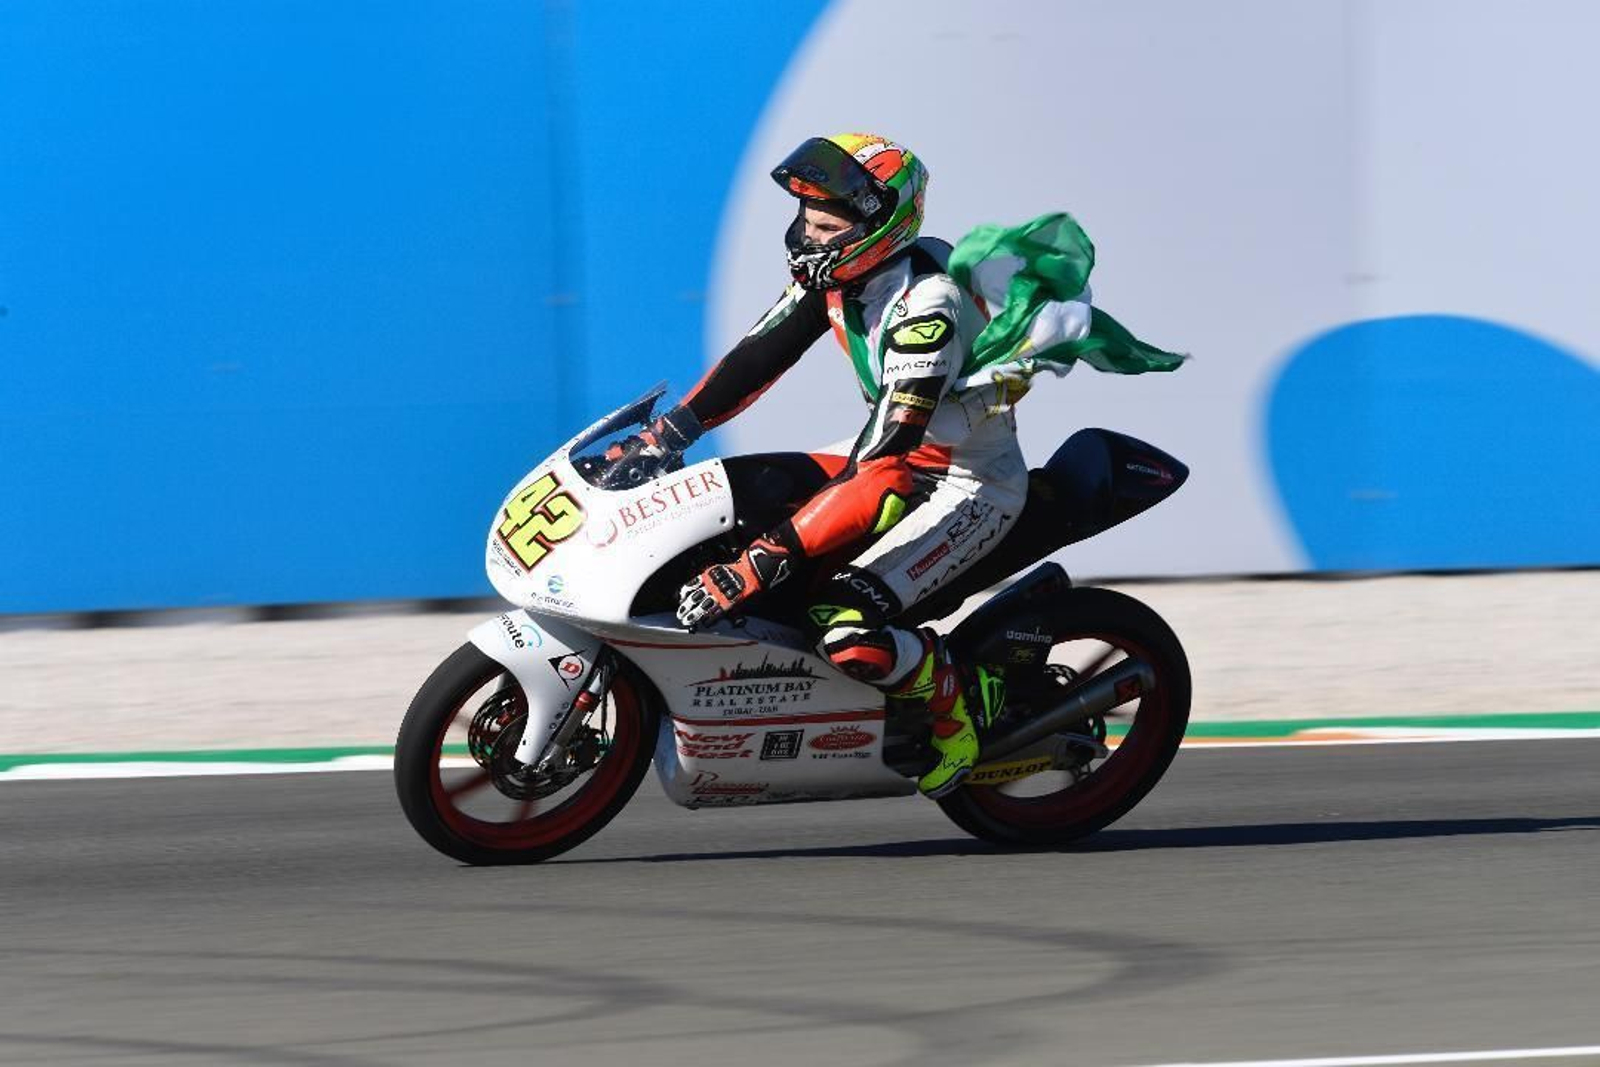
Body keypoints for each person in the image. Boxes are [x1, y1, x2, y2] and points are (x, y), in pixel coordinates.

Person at [636, 133, 1134, 798]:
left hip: (965, 485)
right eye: (804, 219)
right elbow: (757, 357)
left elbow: (884, 463)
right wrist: (664, 435)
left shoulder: (928, 308)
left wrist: (757, 562)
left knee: (842, 624)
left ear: (879, 228)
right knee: (740, 505)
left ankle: (951, 705)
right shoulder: (840, 274)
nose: (806, 237)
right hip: (892, 459)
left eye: (825, 224)